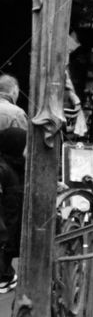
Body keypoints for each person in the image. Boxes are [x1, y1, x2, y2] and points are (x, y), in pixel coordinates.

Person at [0, 74, 28, 293]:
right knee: (8, 222)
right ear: (14, 90)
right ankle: (4, 273)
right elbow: (24, 151)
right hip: (9, 176)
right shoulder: (16, 113)